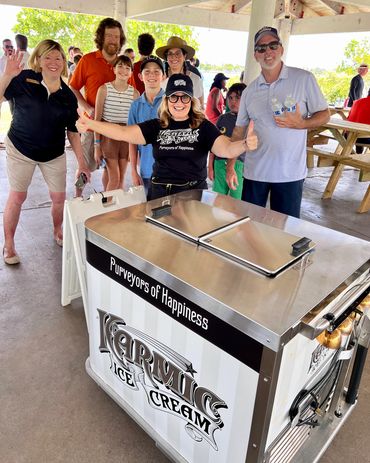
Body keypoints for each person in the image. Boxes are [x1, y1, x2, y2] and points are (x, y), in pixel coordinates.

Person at [77, 74, 258, 200]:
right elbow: (123, 132)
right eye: (174, 98)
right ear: (166, 101)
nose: (179, 103)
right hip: (159, 194)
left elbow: (226, 148)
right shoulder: (157, 125)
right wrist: (91, 124)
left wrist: (244, 144)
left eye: (184, 98)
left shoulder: (203, 127)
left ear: (192, 101)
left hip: (192, 195)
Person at [0, 41, 90, 265]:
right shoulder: (24, 79)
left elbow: (72, 131)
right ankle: (9, 243)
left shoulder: (68, 96)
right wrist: (7, 76)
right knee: (18, 196)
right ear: (38, 60)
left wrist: (82, 162)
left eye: (58, 58)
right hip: (20, 148)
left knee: (59, 198)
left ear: (64, 63)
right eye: (47, 57)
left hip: (53, 153)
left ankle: (57, 229)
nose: (53, 62)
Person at [227, 26, 330, 218]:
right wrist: (230, 166)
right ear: (255, 55)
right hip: (254, 173)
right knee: (249, 227)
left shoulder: (303, 79)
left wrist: (302, 124)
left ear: (281, 49)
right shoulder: (249, 92)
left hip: (289, 174)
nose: (268, 52)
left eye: (273, 45)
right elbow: (239, 131)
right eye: (261, 48)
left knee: (285, 233)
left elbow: (325, 114)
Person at [69, 17, 127, 189]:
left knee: (111, 171)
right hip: (92, 124)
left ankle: (106, 203)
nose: (113, 40)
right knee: (85, 167)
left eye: (116, 37)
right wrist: (86, 106)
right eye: (109, 36)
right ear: (101, 37)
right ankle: (78, 198)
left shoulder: (122, 65)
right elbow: (72, 87)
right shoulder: (87, 60)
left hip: (115, 128)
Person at [94, 55, 139, 190]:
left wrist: (134, 150)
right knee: (115, 178)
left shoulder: (135, 93)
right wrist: (97, 146)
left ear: (131, 72)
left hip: (126, 137)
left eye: (127, 68)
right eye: (120, 66)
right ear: (113, 69)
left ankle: (111, 203)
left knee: (120, 179)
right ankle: (108, 208)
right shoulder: (104, 89)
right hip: (108, 137)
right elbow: (97, 120)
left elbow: (134, 124)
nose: (123, 70)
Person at [128, 56, 165, 198]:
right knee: (148, 212)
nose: (152, 76)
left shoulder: (171, 103)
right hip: (146, 171)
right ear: (140, 76)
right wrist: (133, 170)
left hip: (169, 172)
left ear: (163, 76)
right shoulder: (135, 105)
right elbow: (131, 140)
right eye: (147, 72)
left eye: (157, 71)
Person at [208, 83, 246, 199]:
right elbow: (213, 143)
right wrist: (210, 166)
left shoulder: (248, 120)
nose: (233, 101)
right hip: (219, 163)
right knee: (218, 198)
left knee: (237, 199)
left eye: (238, 98)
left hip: (239, 165)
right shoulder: (222, 118)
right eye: (230, 97)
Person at [156, 36, 204, 109]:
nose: (174, 57)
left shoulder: (194, 79)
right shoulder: (159, 78)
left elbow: (200, 107)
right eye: (170, 53)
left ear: (184, 56)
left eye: (178, 53)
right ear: (166, 57)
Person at [347, 88, 370, 153]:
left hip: (347, 136)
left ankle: (358, 154)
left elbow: (349, 119)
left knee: (360, 130)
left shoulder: (357, 102)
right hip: (363, 138)